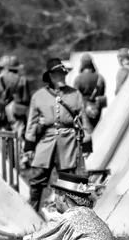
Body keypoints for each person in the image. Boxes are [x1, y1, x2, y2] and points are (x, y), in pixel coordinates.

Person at [24, 58, 93, 212]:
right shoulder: (39, 96)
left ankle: (68, 215)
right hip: (45, 140)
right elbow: (31, 123)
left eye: (63, 73)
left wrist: (87, 144)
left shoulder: (75, 94)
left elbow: (84, 120)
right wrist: (29, 146)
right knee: (37, 180)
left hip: (68, 140)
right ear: (50, 76)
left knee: (67, 180)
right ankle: (32, 214)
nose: (62, 76)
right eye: (57, 74)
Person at [0, 55, 31, 137]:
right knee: (18, 134)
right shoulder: (22, 80)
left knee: (3, 133)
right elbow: (26, 99)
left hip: (2, 110)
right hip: (17, 111)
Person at [73, 53, 106, 128]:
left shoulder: (78, 79)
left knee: (87, 132)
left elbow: (76, 97)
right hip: (97, 109)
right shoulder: (100, 78)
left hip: (84, 109)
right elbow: (102, 93)